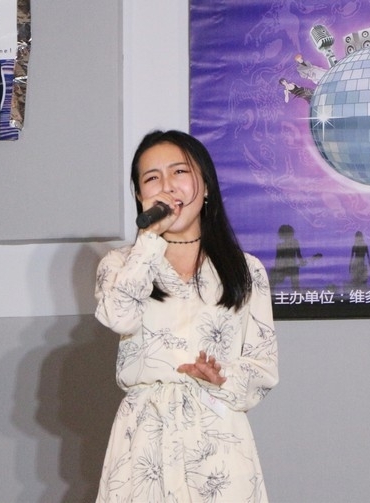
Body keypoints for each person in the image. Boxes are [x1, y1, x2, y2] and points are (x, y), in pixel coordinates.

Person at [94, 130, 279, 502]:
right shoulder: (120, 264)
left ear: (205, 186)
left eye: (179, 172)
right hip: (144, 439)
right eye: (152, 178)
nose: (167, 186)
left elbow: (263, 368)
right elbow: (119, 317)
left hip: (218, 439)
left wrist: (221, 376)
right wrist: (149, 240)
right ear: (139, 195)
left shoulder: (246, 270)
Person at [270, 224, 305, 290]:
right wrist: (278, 269)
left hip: (292, 268)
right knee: (272, 275)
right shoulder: (280, 245)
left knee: (295, 286)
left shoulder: (295, 242)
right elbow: (277, 259)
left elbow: (299, 254)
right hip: (284, 268)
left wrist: (302, 261)